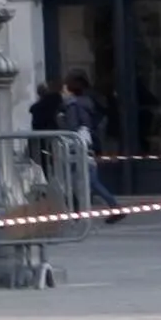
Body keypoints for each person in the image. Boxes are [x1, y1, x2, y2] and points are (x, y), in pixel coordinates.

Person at [55, 72, 117, 220]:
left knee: (71, 179)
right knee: (85, 180)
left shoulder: (72, 106)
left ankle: (111, 208)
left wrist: (60, 120)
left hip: (75, 147)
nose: (62, 93)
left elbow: (72, 127)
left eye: (64, 89)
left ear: (70, 91)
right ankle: (110, 208)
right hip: (85, 144)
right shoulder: (86, 103)